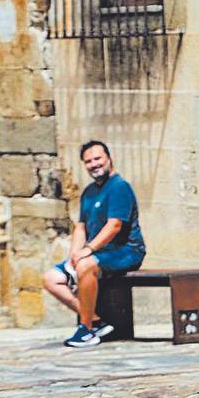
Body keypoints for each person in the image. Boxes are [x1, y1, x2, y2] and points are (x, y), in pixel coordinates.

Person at [43, 140, 146, 347]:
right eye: (88, 161)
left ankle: (86, 329)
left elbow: (114, 225)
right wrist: (75, 254)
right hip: (97, 253)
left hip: (126, 252)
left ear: (109, 159)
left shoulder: (119, 187)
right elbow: (81, 227)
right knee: (51, 278)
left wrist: (88, 251)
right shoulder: (89, 192)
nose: (94, 164)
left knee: (86, 265)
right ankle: (97, 321)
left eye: (98, 159)